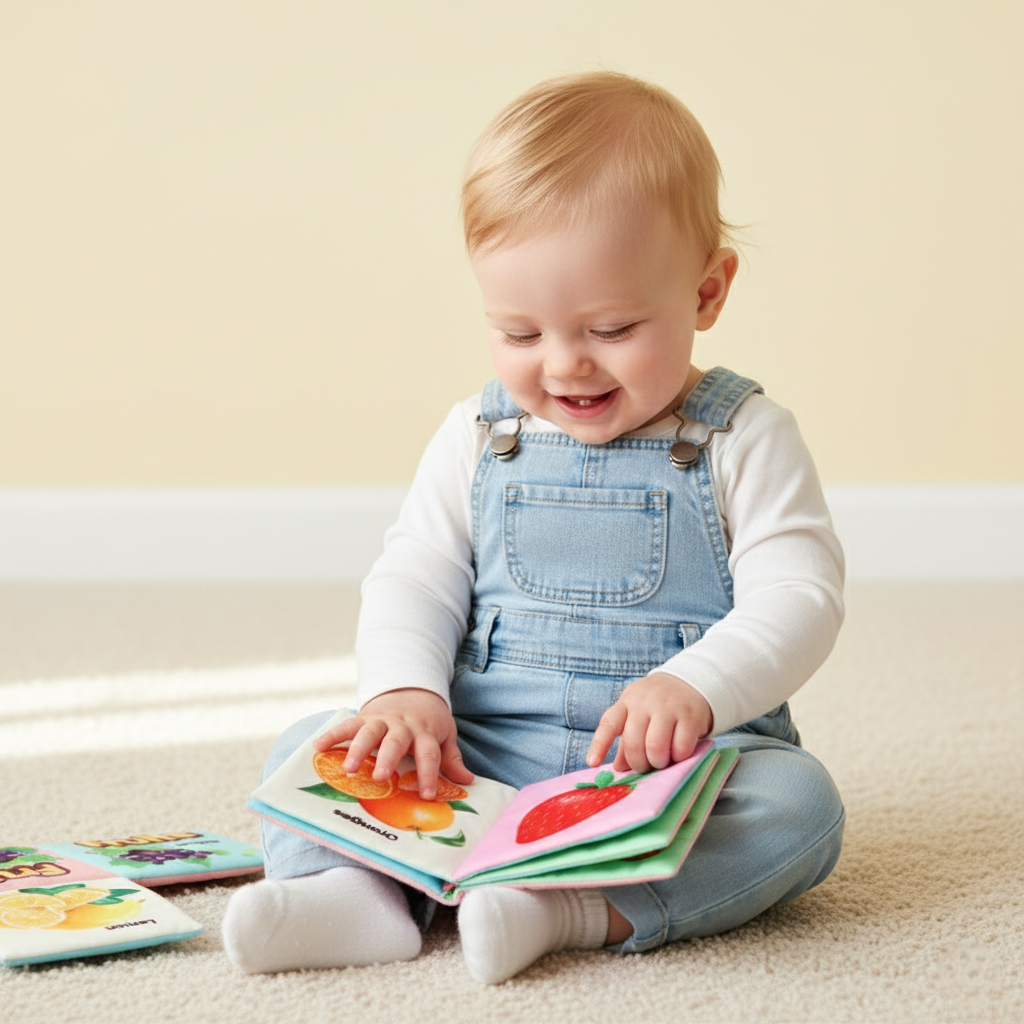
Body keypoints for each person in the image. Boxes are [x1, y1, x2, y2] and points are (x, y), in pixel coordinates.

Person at [222, 70, 846, 984]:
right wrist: (405, 694)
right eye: (519, 334)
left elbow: (802, 597)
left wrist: (697, 686)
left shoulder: (742, 438)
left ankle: (573, 908)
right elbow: (416, 573)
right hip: (475, 757)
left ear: (708, 292)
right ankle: (360, 897)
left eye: (614, 326)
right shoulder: (479, 436)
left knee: (800, 806)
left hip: (664, 774)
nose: (565, 365)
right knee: (314, 745)